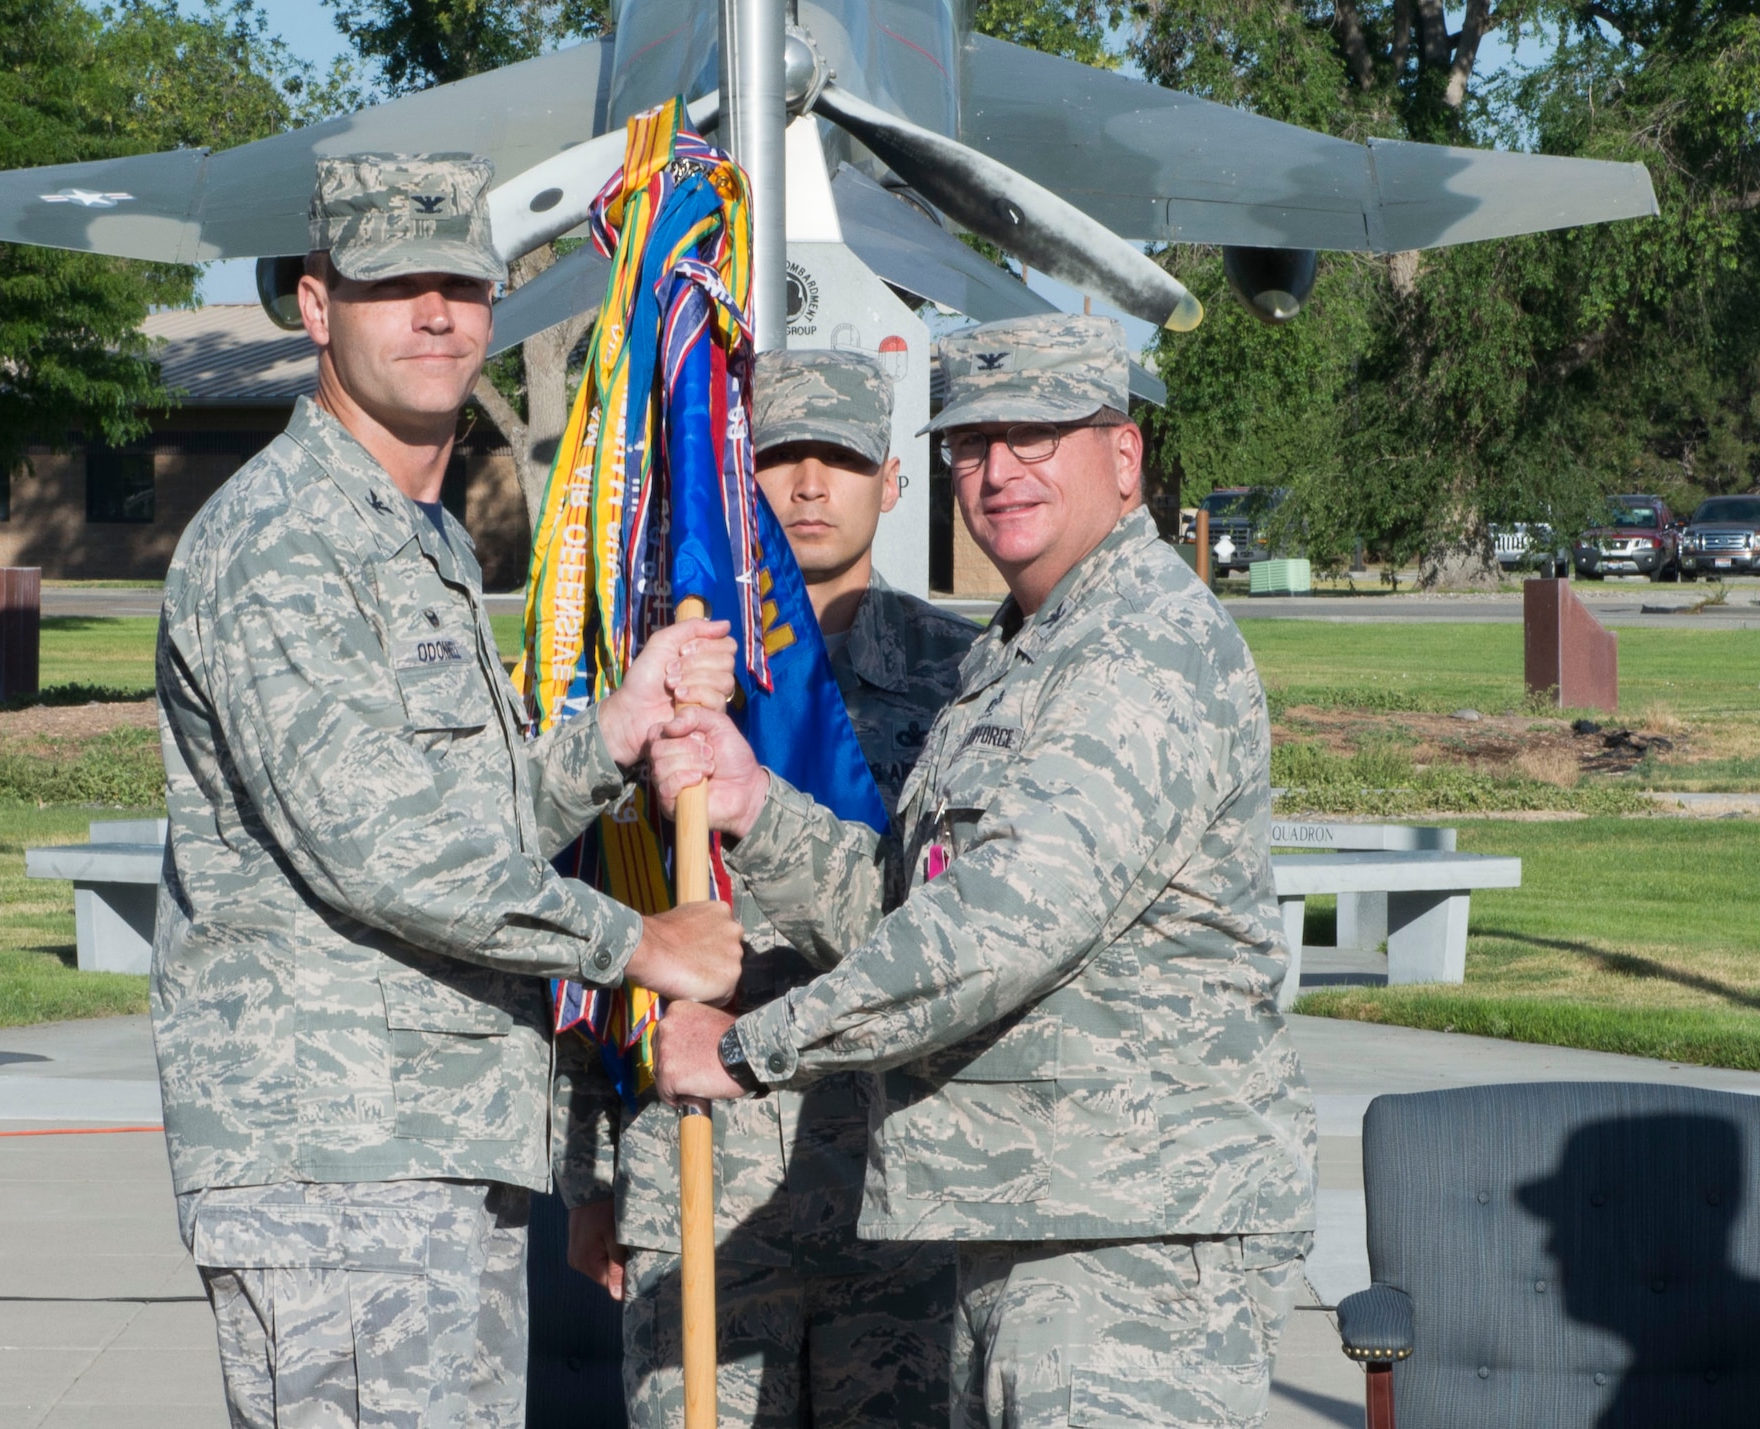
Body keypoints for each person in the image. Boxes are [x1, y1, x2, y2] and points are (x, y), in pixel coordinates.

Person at [151, 152, 744, 1429]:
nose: (435, 315)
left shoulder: (409, 534)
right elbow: (384, 851)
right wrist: (642, 942)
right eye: (390, 286)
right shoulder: (284, 541)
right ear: (315, 306)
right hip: (335, 1164)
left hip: (432, 1151)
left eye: (460, 284)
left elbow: (465, 820)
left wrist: (608, 734)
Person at [647, 314, 1318, 1429]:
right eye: (973, 441)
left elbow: (1004, 925)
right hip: (1026, 1220)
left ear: (1122, 455)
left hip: (1134, 1245)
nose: (999, 469)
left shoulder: (1138, 647)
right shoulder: (1016, 652)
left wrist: (752, 1046)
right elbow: (916, 907)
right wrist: (755, 808)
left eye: (1037, 434)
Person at [558, 349, 979, 1427]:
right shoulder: (671, 666)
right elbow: (593, 913)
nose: (803, 486)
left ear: (889, 481)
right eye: (776, 457)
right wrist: (586, 1172)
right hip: (700, 1167)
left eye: (835, 460)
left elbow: (971, 921)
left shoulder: (966, 676)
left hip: (892, 1180)